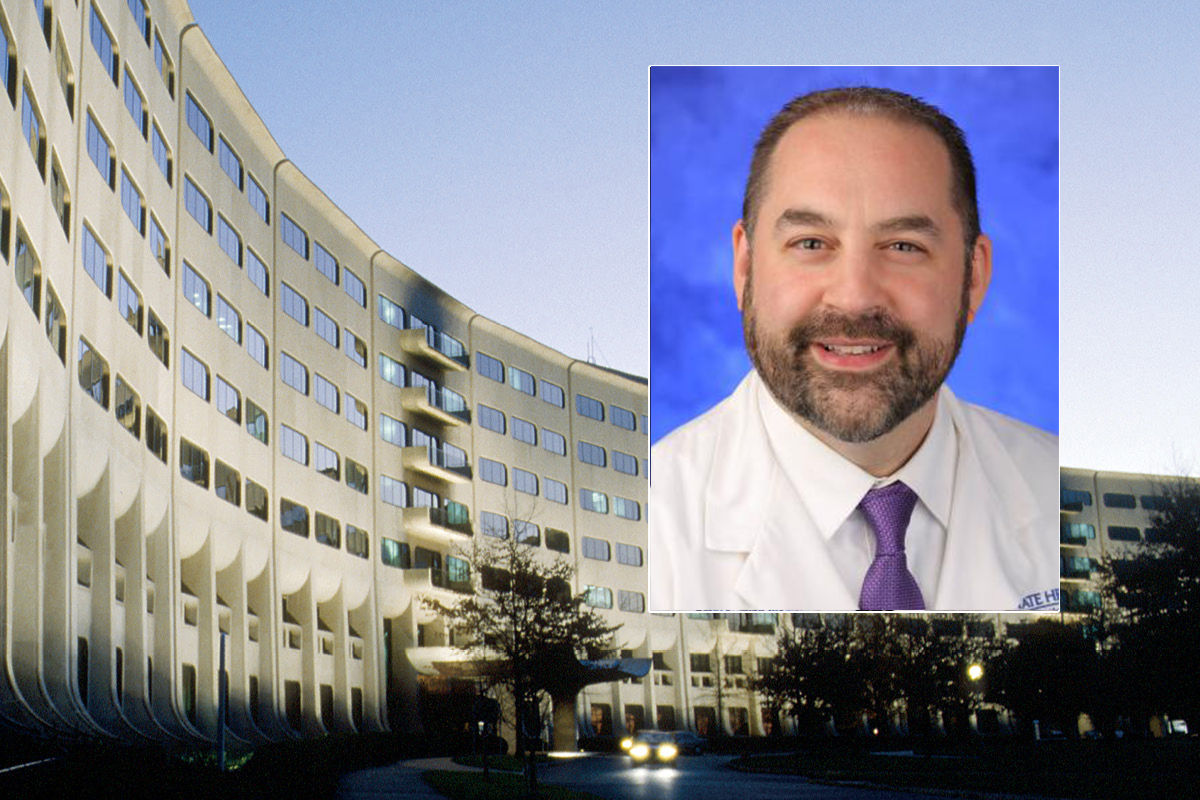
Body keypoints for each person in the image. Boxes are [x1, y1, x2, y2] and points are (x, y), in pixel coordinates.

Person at [649, 86, 1059, 612]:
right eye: (811, 243)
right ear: (745, 268)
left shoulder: (1053, 488)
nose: (854, 295)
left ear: (973, 276)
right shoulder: (654, 517)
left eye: (904, 246)